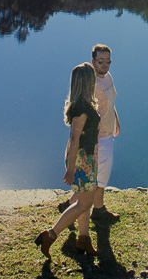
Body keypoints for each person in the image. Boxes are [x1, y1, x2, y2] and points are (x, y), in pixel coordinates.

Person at [35, 62, 100, 260]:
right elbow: (74, 138)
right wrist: (71, 168)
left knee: (83, 200)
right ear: (88, 82)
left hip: (84, 158)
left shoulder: (81, 104)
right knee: (84, 203)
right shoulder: (81, 107)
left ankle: (83, 240)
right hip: (82, 161)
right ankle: (50, 235)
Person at [59, 44, 122, 221]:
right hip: (98, 138)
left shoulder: (107, 77)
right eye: (101, 61)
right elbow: (85, 112)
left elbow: (110, 101)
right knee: (98, 179)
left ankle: (69, 206)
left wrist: (116, 119)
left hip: (108, 133)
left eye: (108, 61)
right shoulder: (90, 83)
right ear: (93, 60)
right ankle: (98, 210)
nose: (105, 65)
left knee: (97, 178)